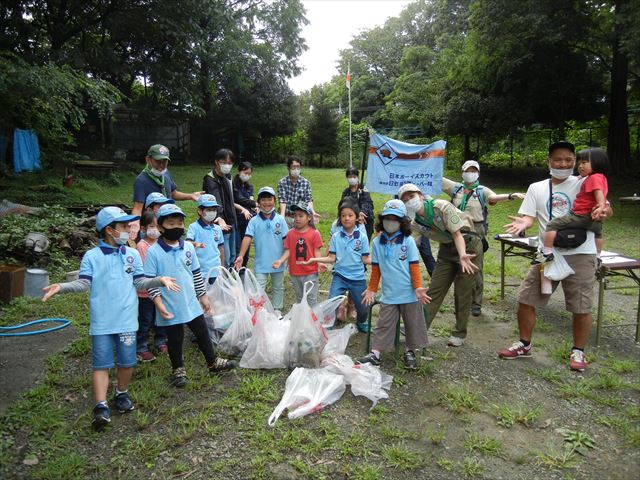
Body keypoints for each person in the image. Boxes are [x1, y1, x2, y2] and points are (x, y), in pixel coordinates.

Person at [41, 207, 179, 429]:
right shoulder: (92, 257)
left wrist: (158, 280)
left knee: (127, 362)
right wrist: (62, 286)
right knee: (101, 364)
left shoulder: (132, 254)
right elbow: (84, 283)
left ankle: (121, 393)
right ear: (109, 230)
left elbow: (140, 282)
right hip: (102, 322)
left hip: (126, 320)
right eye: (124, 227)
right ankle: (101, 405)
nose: (129, 230)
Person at [498, 142, 612, 372]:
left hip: (582, 252)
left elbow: (607, 208)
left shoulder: (586, 181)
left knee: (581, 306)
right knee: (526, 299)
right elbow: (528, 217)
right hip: (548, 253)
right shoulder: (536, 188)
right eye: (558, 159)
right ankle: (524, 344)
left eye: (569, 160)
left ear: (576, 162)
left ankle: (578, 351)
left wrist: (604, 210)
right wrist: (524, 222)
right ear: (548, 161)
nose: (564, 164)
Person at [144, 204, 236, 388]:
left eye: (180, 222)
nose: (177, 227)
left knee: (202, 332)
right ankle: (177, 369)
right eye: (171, 223)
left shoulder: (187, 247)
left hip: (191, 301)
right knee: (175, 338)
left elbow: (195, 273)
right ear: (161, 227)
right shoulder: (153, 252)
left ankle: (212, 362)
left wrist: (202, 296)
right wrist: (159, 305)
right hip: (170, 304)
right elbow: (149, 282)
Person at [399, 183, 480, 347]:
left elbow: (457, 233)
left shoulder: (441, 206)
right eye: (405, 200)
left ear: (421, 195)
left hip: (468, 245)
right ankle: (418, 328)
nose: (410, 201)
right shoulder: (415, 223)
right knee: (434, 289)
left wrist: (463, 255)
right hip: (446, 249)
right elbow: (411, 245)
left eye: (411, 196)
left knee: (463, 291)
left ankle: (459, 333)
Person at [442, 160, 525, 316]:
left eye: (474, 171)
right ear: (462, 172)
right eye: (468, 170)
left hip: (476, 230)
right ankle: (460, 298)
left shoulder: (482, 191)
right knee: (455, 263)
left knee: (475, 266)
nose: (470, 173)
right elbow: (435, 178)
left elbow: (494, 197)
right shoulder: (455, 188)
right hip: (456, 228)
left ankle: (476, 302)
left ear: (478, 173)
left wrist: (510, 195)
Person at [359, 200, 431, 370]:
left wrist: (418, 287)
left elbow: (414, 266)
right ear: (382, 219)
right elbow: (376, 269)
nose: (390, 222)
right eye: (387, 218)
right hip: (389, 293)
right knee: (383, 323)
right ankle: (375, 354)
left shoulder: (408, 241)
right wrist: (371, 289)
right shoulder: (377, 243)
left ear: (402, 222)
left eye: (395, 219)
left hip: (409, 293)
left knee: (412, 323)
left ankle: (409, 351)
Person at [303, 199, 371, 332]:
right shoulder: (336, 237)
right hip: (339, 276)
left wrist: (379, 262)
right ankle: (329, 326)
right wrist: (314, 260)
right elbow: (331, 258)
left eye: (350, 215)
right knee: (331, 303)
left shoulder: (362, 237)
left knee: (363, 307)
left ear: (357, 217)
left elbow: (365, 258)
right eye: (343, 215)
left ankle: (362, 322)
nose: (346, 218)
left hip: (358, 278)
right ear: (340, 218)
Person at [535, 148, 609, 264]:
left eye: (584, 163)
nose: (580, 166)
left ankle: (547, 252)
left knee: (552, 225)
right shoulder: (599, 177)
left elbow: (598, 192)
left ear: (597, 162)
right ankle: (598, 255)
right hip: (593, 217)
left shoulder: (594, 178)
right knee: (598, 234)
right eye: (579, 163)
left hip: (580, 214)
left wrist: (601, 205)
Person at [234, 187, 289, 313]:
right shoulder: (254, 221)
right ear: (258, 202)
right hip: (261, 262)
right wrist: (241, 255)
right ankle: (259, 311)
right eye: (263, 199)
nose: (267, 202)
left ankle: (277, 309)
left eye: (269, 199)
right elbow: (247, 238)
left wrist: (286, 258)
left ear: (274, 201)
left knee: (278, 287)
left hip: (278, 261)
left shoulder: (280, 219)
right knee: (259, 288)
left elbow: (286, 241)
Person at [130, 144, 203, 238]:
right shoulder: (141, 180)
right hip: (154, 225)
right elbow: (138, 207)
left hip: (169, 222)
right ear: (148, 159)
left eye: (164, 162)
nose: (161, 166)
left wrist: (190, 196)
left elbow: (173, 193)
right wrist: (135, 222)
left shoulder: (165, 174)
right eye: (158, 162)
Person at [272, 201, 324, 306]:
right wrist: (280, 260)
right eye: (295, 216)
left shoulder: (314, 233)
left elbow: (316, 251)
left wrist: (320, 263)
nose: (297, 218)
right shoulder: (290, 233)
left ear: (309, 217)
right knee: (300, 298)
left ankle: (313, 320)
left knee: (311, 298)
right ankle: (302, 319)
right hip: (295, 272)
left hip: (310, 272)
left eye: (301, 216)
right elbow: (288, 250)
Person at [135, 211, 168, 362]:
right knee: (146, 319)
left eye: (157, 226)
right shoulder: (142, 246)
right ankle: (141, 346)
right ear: (143, 229)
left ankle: (161, 341)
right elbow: (144, 270)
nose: (155, 229)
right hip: (146, 293)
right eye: (151, 226)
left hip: (161, 289)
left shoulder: (162, 243)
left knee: (160, 318)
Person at [203, 149, 244, 268]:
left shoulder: (228, 177)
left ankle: (231, 279)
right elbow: (215, 201)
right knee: (224, 259)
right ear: (217, 162)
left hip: (231, 221)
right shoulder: (210, 179)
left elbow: (234, 197)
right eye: (224, 162)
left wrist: (252, 204)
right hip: (220, 223)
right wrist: (219, 218)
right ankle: (223, 281)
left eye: (230, 162)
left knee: (233, 256)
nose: (227, 165)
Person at [186, 194, 225, 285]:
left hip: (216, 270)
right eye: (208, 210)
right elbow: (188, 243)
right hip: (200, 271)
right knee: (202, 296)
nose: (212, 212)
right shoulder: (194, 227)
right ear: (200, 211)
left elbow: (221, 248)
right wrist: (195, 244)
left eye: (214, 210)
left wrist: (222, 267)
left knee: (215, 296)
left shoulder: (217, 228)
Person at [277, 155, 320, 227]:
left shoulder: (306, 183)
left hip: (301, 218)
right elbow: (282, 201)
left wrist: (313, 212)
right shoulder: (282, 182)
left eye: (298, 166)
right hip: (287, 217)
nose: (296, 169)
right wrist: (282, 216)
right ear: (288, 168)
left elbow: (308, 200)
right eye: (293, 167)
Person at [233, 161, 258, 268]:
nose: (247, 175)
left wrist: (255, 207)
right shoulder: (233, 185)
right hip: (236, 220)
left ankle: (243, 270)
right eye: (245, 172)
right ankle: (235, 270)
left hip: (247, 221)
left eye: (249, 174)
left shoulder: (249, 187)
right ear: (239, 171)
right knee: (238, 247)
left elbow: (250, 199)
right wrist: (255, 204)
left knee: (246, 246)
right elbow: (238, 199)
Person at [340, 167, 374, 239]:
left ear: (358, 177)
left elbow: (367, 202)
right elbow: (343, 206)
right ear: (347, 178)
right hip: (351, 221)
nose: (352, 179)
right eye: (350, 177)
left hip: (366, 220)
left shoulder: (364, 188)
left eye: (354, 176)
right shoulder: (346, 192)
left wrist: (362, 212)